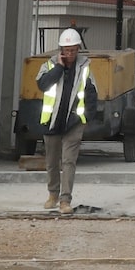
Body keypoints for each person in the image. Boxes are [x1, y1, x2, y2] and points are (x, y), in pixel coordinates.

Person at [37, 29, 98, 215]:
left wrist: (85, 118)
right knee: (52, 161)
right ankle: (52, 195)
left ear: (78, 49)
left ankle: (65, 200)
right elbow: (42, 84)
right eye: (67, 50)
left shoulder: (85, 68)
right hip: (52, 121)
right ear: (61, 49)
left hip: (74, 122)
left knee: (69, 161)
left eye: (73, 50)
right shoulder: (49, 65)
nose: (70, 54)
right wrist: (59, 68)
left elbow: (92, 95)